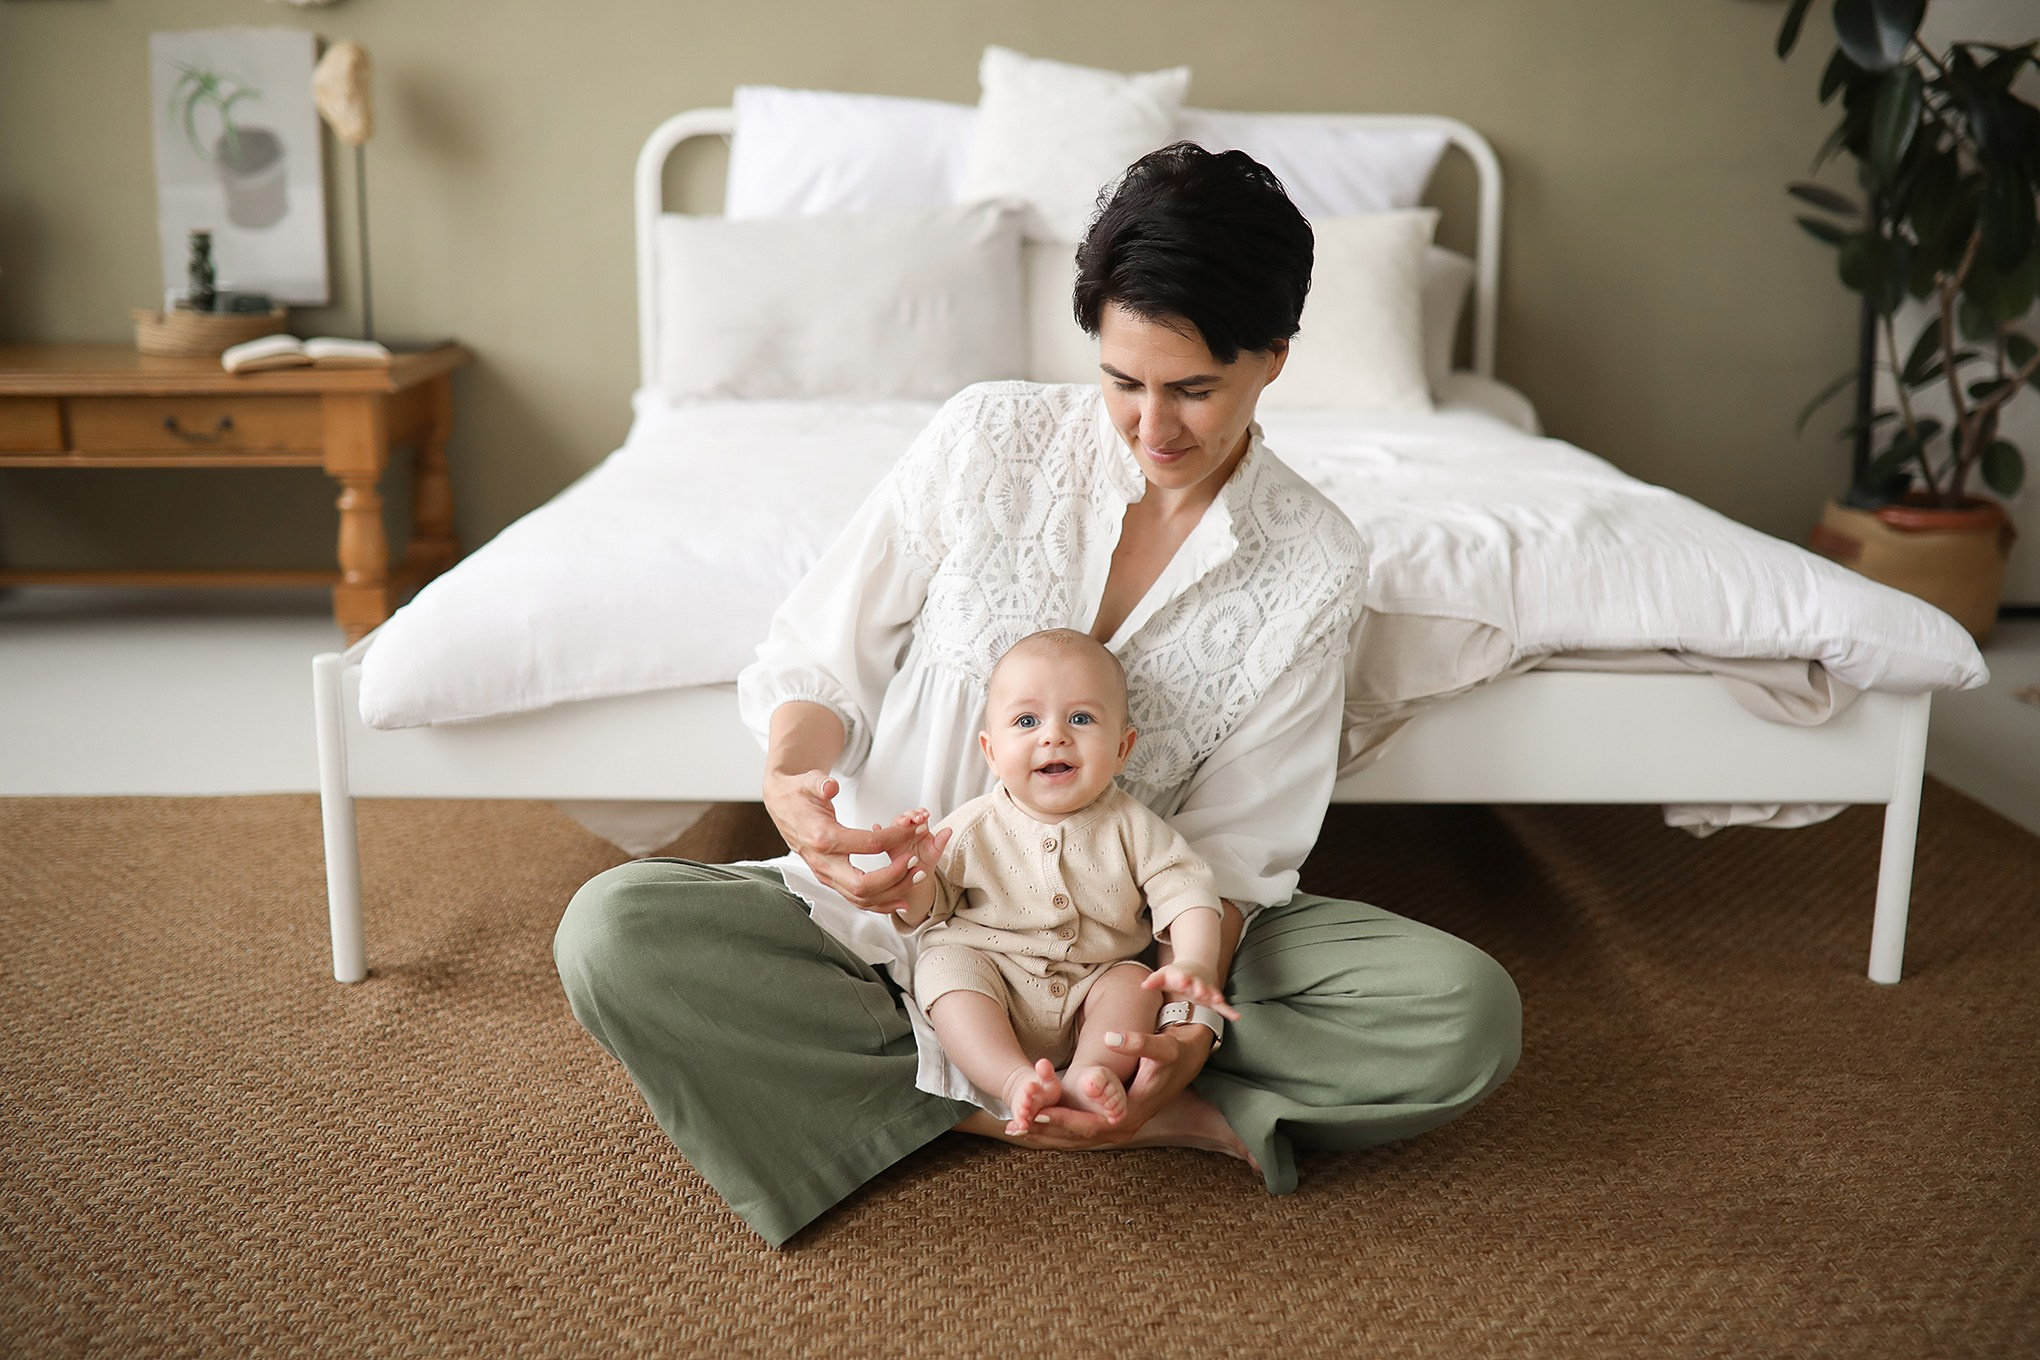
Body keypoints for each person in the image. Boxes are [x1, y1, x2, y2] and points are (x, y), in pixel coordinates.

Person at [554, 142, 1522, 1248]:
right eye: (1123, 382)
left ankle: (977, 1090)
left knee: (1464, 1011)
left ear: (1276, 358)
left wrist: (1182, 1023)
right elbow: (823, 663)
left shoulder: (1313, 560)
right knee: (612, 930)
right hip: (892, 928)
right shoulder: (987, 439)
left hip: (1135, 959)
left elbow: (1241, 855)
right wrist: (791, 783)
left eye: (1194, 390)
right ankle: (1129, 1119)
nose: (1154, 427)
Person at [889, 628, 1241, 1136]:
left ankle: (1089, 1075)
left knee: (1133, 985)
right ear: (991, 752)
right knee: (944, 969)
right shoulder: (971, 826)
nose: (1053, 735)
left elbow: (1186, 890)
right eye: (1027, 720)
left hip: (1092, 982)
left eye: (1081, 718)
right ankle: (1011, 1081)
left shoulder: (1132, 826)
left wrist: (1192, 961)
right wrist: (917, 874)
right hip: (994, 974)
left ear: (1123, 749)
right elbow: (931, 907)